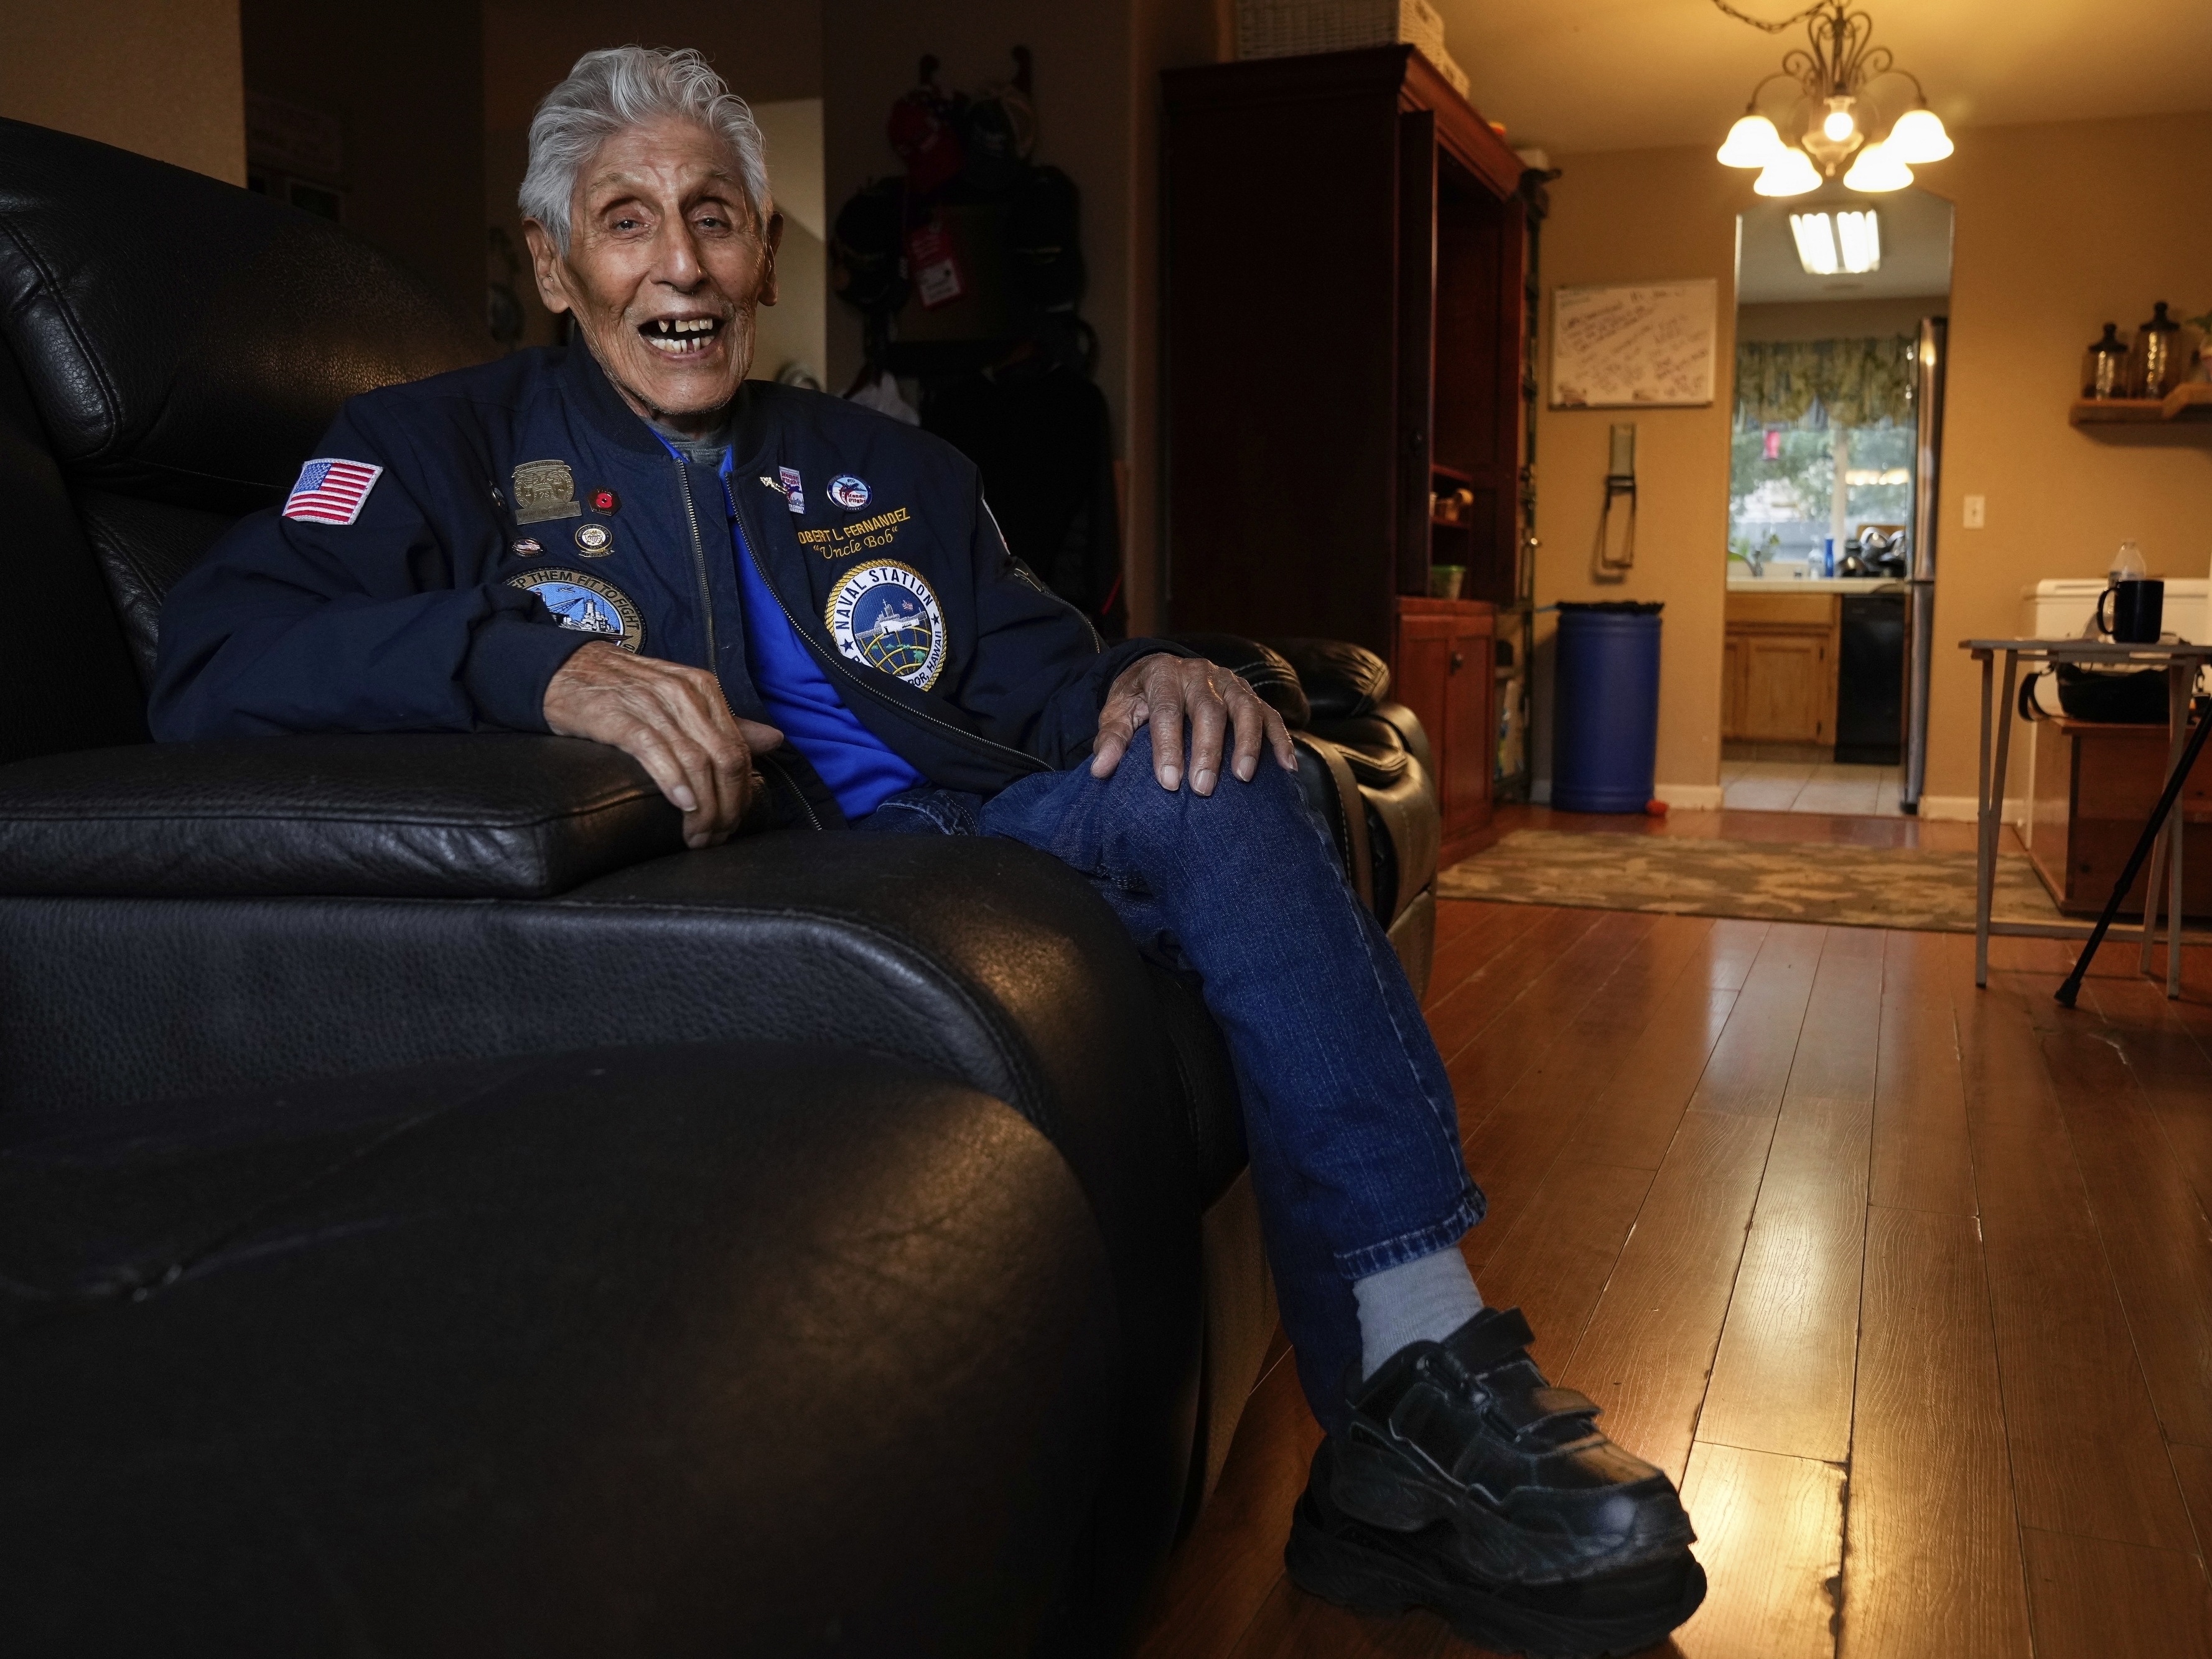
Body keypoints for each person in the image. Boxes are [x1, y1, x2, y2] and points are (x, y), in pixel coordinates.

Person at [150, 47, 1702, 1656]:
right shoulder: (428, 447)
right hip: (762, 896)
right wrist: (532, 667)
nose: (680, 265)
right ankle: (1408, 1430)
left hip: (988, 836)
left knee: (1225, 763)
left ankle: (1413, 1387)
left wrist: (1149, 678)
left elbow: (1048, 677)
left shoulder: (894, 468)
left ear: (764, 252)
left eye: (714, 217)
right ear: (552, 264)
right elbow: (212, 661)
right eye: (626, 221)